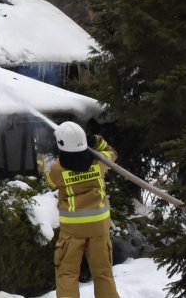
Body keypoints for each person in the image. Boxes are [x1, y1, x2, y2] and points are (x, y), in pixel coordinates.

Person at [40, 121, 120, 298]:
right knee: (103, 274)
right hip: (99, 227)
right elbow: (113, 153)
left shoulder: (56, 169)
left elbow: (48, 178)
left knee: (67, 274)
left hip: (72, 230)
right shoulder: (100, 161)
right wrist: (97, 141)